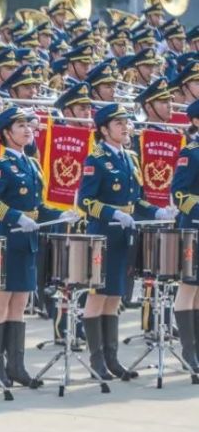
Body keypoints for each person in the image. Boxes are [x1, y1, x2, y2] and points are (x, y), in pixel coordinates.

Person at [0, 107, 78, 389]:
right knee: (1, 301)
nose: (27, 130)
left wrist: (59, 214)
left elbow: (37, 207)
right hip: (8, 239)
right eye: (20, 126)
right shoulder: (1, 165)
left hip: (28, 241)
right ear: (6, 133)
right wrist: (15, 217)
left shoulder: (32, 164)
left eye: (28, 125)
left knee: (20, 302)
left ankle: (17, 365)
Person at [77, 104, 177, 381]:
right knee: (98, 298)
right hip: (104, 235)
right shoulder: (95, 160)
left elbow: (136, 199)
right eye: (118, 123)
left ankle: (112, 359)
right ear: (104, 129)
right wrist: (113, 212)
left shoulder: (131, 158)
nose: (125, 127)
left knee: (114, 298)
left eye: (126, 122)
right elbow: (85, 201)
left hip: (125, 236)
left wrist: (156, 211)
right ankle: (96, 360)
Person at [168, 101, 199, 372]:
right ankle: (189, 351)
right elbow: (178, 193)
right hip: (194, 228)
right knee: (189, 288)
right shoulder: (191, 152)